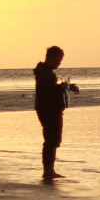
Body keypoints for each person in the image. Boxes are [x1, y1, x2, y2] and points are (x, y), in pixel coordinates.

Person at [33, 45, 79, 180]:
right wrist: (63, 87)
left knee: (53, 139)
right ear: (51, 58)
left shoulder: (44, 71)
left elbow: (52, 89)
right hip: (48, 109)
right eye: (59, 59)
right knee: (51, 139)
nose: (60, 62)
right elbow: (49, 91)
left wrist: (66, 87)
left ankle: (49, 170)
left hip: (48, 108)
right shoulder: (44, 72)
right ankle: (48, 171)